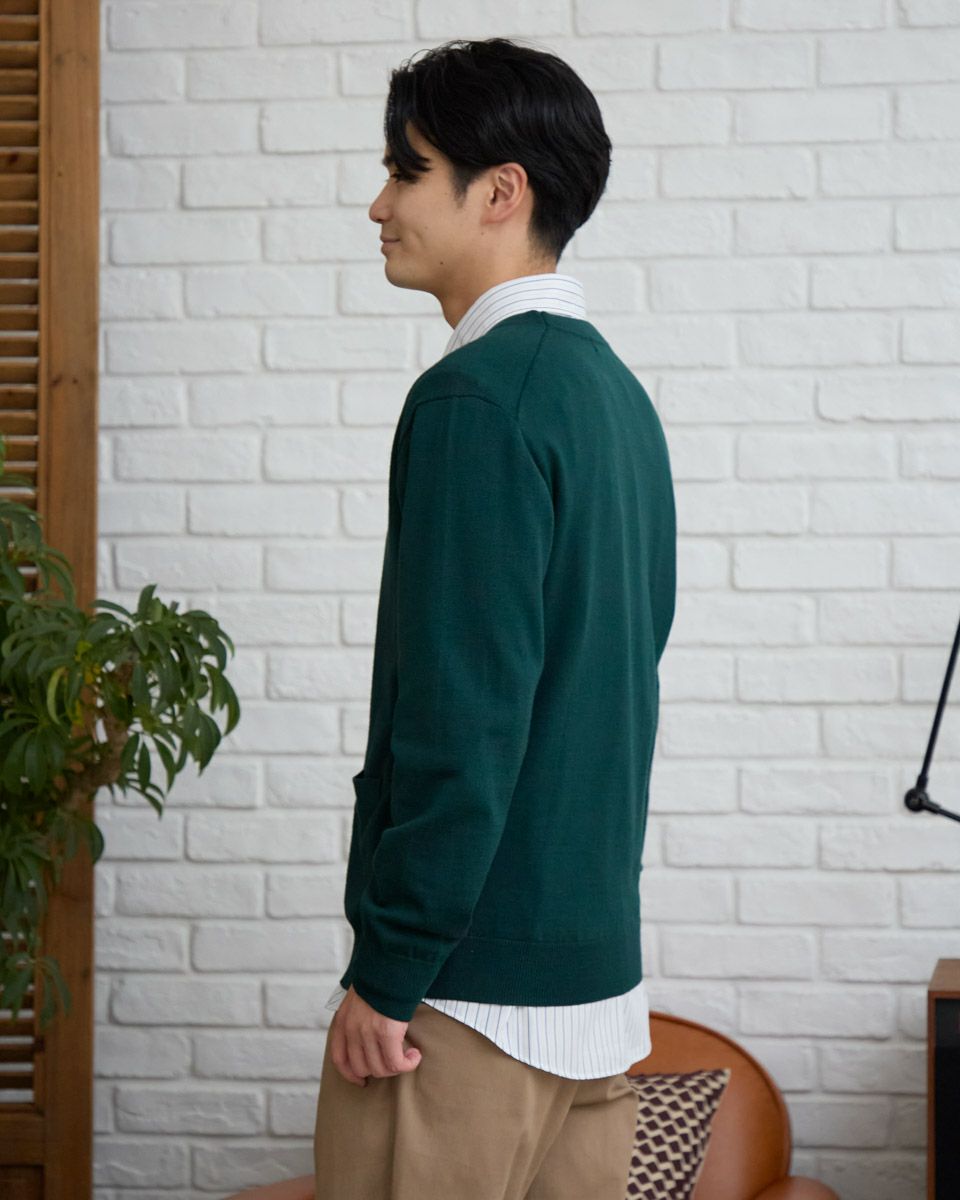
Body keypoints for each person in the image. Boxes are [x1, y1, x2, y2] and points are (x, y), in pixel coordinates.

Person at [313, 35, 676, 1200]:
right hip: (595, 996)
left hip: (460, 1008)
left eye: (405, 171)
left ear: (500, 192)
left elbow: (463, 721)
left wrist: (390, 966)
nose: (379, 205)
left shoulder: (475, 400)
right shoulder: (615, 399)